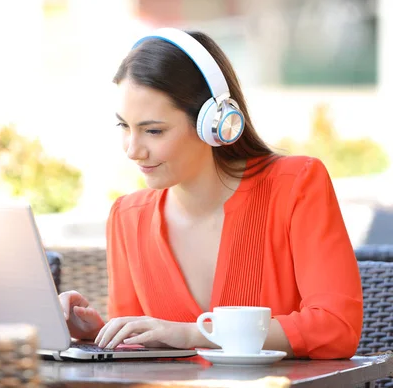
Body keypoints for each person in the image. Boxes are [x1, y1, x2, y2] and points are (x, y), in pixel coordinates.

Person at [58, 28, 363, 360]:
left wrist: (195, 333)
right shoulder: (127, 217)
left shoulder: (296, 185)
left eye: (153, 130)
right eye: (124, 127)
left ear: (215, 122)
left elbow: (337, 327)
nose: (133, 150)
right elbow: (141, 354)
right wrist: (97, 335)